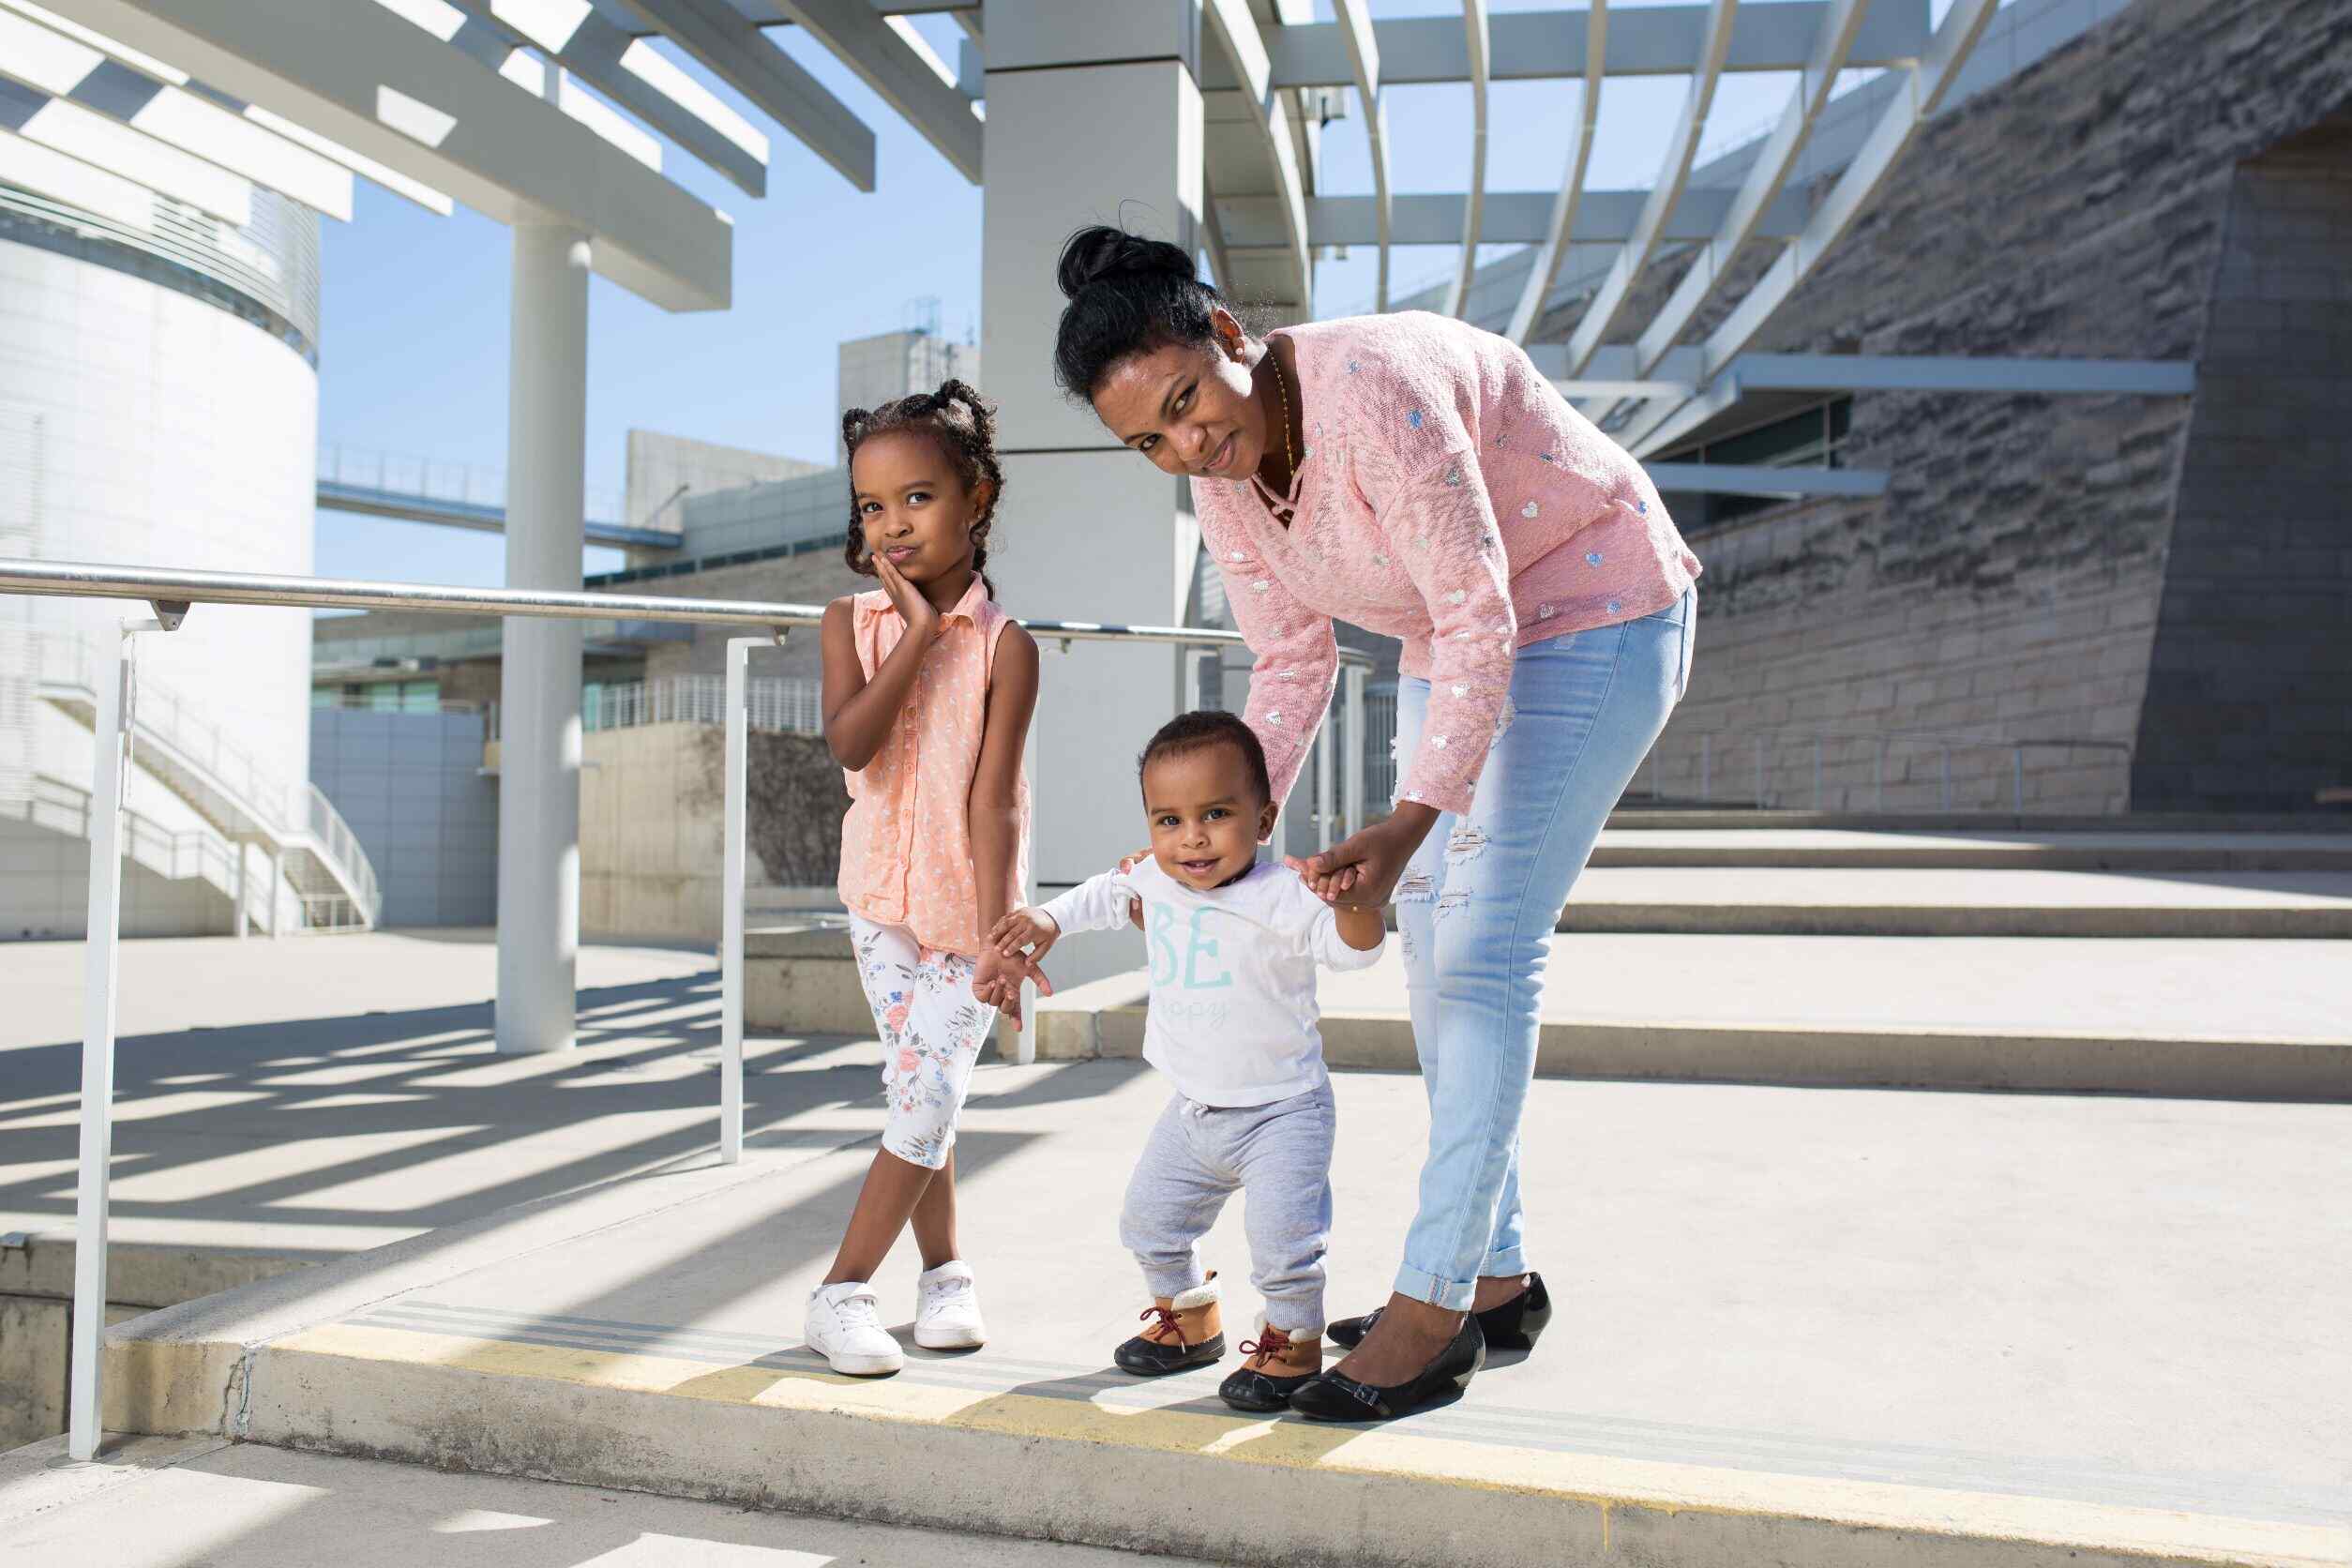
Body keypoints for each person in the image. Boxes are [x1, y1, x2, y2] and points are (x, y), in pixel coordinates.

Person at [1051, 226, 1701, 1423]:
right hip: (1451, 636)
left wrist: (1408, 822)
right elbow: (1292, 661)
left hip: (1597, 603)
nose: (1189, 443)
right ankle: (1497, 1277)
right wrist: (1224, 839)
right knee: (1430, 947)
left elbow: (1479, 614)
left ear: (1231, 338)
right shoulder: (1223, 482)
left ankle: (1434, 1302)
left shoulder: (1375, 386)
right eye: (1150, 439)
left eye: (1190, 401)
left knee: (1488, 945)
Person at [990, 711, 1386, 1412]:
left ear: (1263, 820)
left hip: (1282, 1111)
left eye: (1216, 813)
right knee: (1149, 1223)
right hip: (1193, 1110)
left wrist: (1358, 907)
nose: (1191, 837)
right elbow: (1105, 894)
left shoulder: (1283, 894)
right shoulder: (1154, 878)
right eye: (1167, 820)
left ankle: (1291, 1348)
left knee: (1283, 1245)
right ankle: (1191, 1325)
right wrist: (1049, 919)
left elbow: (1352, 951)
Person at [807, 381, 1045, 1377]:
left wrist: (997, 937)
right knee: (924, 1090)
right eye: (871, 506)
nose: (891, 524)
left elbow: (995, 804)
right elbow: (852, 747)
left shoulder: (1007, 648)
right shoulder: (846, 623)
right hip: (879, 905)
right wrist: (910, 634)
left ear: (976, 496)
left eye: (917, 497)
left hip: (964, 912)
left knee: (928, 1083)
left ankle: (840, 1291)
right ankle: (944, 1272)